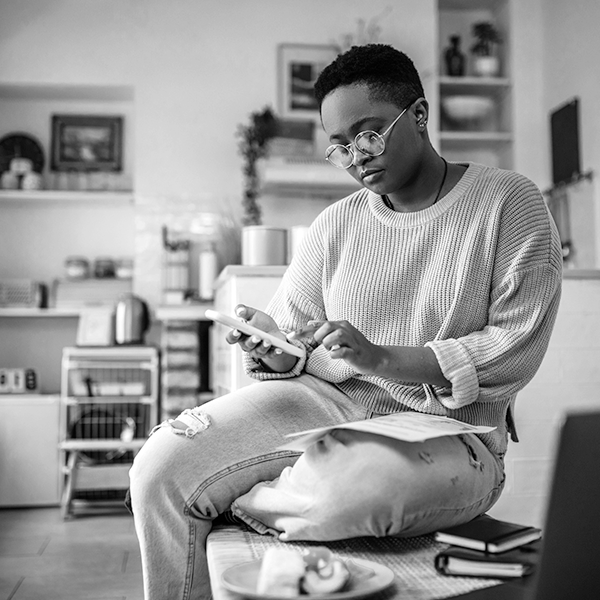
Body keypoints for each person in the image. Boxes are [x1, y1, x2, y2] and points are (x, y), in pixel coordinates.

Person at [129, 44, 562, 599]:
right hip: (320, 406)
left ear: (420, 115)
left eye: (368, 134)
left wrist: (382, 359)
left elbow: (514, 346)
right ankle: (259, 488)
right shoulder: (336, 223)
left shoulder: (508, 202)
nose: (356, 156)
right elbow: (294, 343)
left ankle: (232, 495)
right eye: (339, 147)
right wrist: (274, 349)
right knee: (158, 467)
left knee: (357, 491)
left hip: (453, 433)